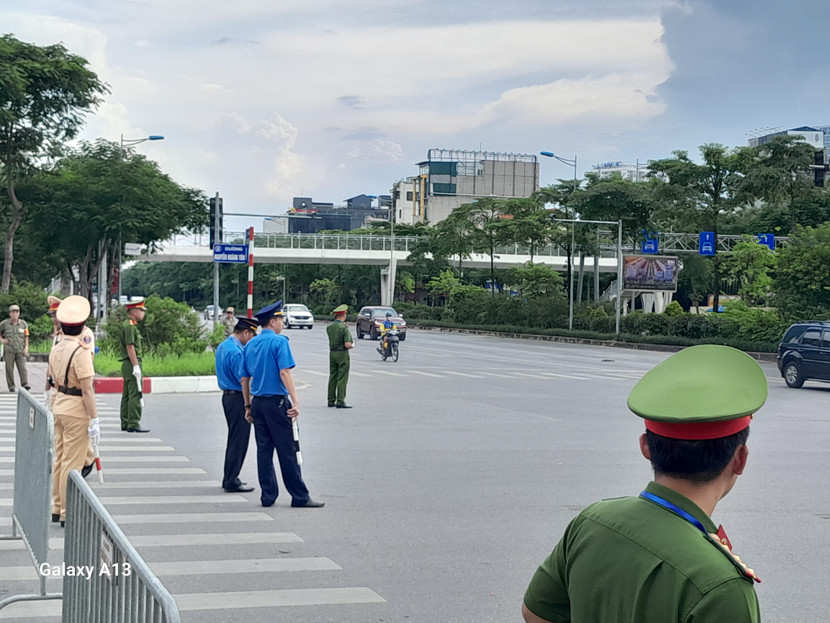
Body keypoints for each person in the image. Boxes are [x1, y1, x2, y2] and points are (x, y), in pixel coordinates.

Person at [522, 345, 768, 623]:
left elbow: (537, 612)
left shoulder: (592, 522)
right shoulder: (720, 585)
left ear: (646, 447)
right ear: (740, 459)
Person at [241, 300, 324, 508]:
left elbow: (245, 378)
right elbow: (285, 372)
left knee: (264, 451)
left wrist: (248, 406)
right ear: (272, 321)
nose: (282, 322)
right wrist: (295, 400)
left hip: (258, 404)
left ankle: (268, 496)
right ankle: (299, 496)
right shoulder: (279, 342)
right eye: (280, 319)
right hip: (277, 404)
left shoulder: (251, 343)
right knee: (287, 450)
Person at [47, 296, 99, 527]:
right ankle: (68, 512)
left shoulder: (57, 347)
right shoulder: (81, 351)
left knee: (61, 459)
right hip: (76, 409)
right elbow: (87, 390)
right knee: (72, 462)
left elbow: (52, 378)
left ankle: (57, 507)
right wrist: (95, 419)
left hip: (59, 404)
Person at [215, 315, 259, 493]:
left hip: (227, 396)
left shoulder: (224, 346)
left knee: (234, 438)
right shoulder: (236, 351)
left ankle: (230, 477)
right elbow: (243, 380)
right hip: (238, 398)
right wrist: (249, 405)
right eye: (252, 335)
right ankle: (232, 479)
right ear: (246, 332)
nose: (252, 340)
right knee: (239, 440)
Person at [118, 298, 150, 433]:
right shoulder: (130, 327)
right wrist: (136, 366)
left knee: (127, 394)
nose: (143, 313)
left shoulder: (127, 324)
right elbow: (130, 347)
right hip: (132, 362)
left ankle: (125, 421)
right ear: (134, 311)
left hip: (127, 363)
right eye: (141, 310)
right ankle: (133, 422)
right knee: (135, 393)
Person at [326, 304, 354, 409]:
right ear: (343, 315)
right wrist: (352, 345)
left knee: (333, 376)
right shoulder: (344, 328)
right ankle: (340, 400)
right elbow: (347, 344)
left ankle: (330, 400)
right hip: (342, 354)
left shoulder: (329, 327)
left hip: (332, 353)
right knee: (342, 377)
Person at [0, 304, 30, 392]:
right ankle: (11, 386)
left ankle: (25, 384)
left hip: (20, 349)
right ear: (10, 314)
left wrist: (26, 347)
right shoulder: (4, 324)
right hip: (9, 349)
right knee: (9, 368)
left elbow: (26, 336)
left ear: (19, 313)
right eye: (13, 312)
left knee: (23, 368)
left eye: (16, 312)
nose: (15, 314)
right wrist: (2, 340)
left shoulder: (23, 324)